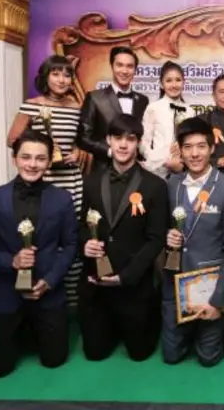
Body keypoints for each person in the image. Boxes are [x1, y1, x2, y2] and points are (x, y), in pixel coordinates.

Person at [0, 130, 77, 378]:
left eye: (40, 158)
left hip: (47, 292)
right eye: (26, 157)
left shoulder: (62, 199)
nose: (32, 164)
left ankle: (32, 332)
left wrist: (50, 281)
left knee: (54, 361)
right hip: (6, 293)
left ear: (48, 162)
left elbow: (71, 245)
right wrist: (11, 261)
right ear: (14, 159)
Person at [78, 114, 168, 362]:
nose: (123, 145)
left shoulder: (155, 186)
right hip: (96, 283)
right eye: (117, 137)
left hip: (134, 283)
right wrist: (85, 243)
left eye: (130, 139)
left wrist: (126, 276)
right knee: (94, 354)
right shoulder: (90, 182)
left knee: (140, 354)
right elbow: (81, 225)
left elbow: (156, 238)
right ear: (108, 140)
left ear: (138, 143)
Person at [162, 117, 224, 366]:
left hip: (210, 284)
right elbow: (158, 228)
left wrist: (219, 299)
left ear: (211, 149)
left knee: (209, 359)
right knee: (171, 357)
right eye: (187, 147)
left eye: (201, 146)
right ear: (180, 150)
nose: (194, 154)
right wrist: (167, 237)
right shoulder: (171, 184)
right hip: (175, 281)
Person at [7, 55, 85, 308]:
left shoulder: (76, 107)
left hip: (71, 180)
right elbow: (12, 140)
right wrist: (41, 153)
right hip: (44, 180)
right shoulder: (32, 106)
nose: (62, 80)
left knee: (70, 237)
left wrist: (77, 152)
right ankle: (38, 291)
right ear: (45, 77)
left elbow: (80, 141)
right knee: (43, 235)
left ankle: (70, 299)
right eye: (56, 74)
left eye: (67, 75)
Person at [77, 46, 149, 170]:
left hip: (136, 171)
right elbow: (83, 138)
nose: (124, 71)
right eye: (119, 65)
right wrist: (110, 152)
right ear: (112, 66)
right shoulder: (95, 98)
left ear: (135, 70)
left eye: (130, 66)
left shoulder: (143, 100)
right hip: (104, 170)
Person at [141, 61, 195, 179]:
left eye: (178, 80)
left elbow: (192, 143)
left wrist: (182, 161)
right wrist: (161, 161)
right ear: (161, 84)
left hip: (184, 171)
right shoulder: (153, 108)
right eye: (169, 80)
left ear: (184, 82)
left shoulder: (190, 111)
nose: (174, 85)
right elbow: (144, 142)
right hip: (157, 171)